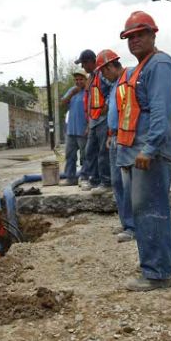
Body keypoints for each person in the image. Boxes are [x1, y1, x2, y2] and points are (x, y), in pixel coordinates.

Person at [116, 11, 171, 291]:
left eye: (140, 34)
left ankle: (156, 274)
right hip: (144, 152)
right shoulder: (147, 66)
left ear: (154, 34)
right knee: (151, 209)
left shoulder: (160, 65)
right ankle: (161, 265)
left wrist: (149, 148)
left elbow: (161, 111)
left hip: (151, 154)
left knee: (150, 210)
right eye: (130, 37)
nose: (134, 41)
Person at [95, 49, 135, 243]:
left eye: (103, 71)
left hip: (126, 139)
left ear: (110, 66)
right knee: (117, 183)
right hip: (115, 138)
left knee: (128, 185)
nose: (103, 76)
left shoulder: (129, 78)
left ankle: (132, 227)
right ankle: (126, 222)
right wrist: (111, 134)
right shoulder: (114, 86)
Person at [76, 49, 111, 194]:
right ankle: (94, 180)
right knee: (90, 151)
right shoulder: (91, 77)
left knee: (103, 153)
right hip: (94, 120)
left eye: (84, 63)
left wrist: (107, 105)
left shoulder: (102, 75)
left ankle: (106, 182)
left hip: (103, 120)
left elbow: (112, 88)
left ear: (91, 61)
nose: (83, 67)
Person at [59, 70, 89, 186]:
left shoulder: (88, 92)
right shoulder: (72, 91)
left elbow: (92, 111)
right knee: (70, 155)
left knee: (85, 156)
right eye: (76, 79)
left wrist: (88, 126)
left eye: (81, 79)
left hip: (83, 130)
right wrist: (72, 93)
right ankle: (70, 178)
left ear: (86, 80)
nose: (78, 81)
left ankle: (85, 178)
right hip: (71, 130)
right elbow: (62, 103)